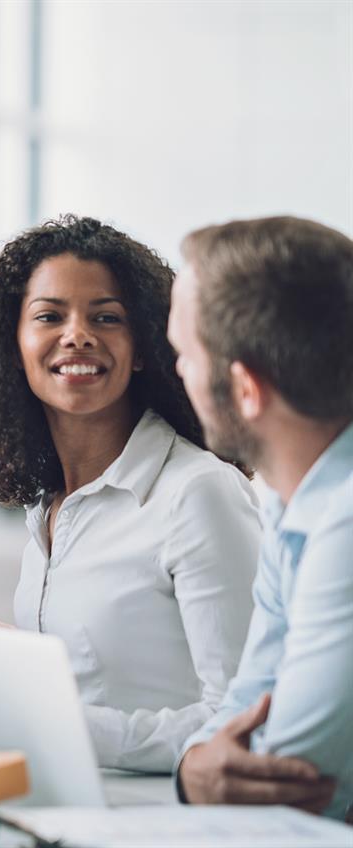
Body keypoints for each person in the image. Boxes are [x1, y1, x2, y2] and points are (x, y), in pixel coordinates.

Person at [0, 216, 259, 772]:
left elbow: (242, 714)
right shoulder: (48, 503)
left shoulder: (198, 494)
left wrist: (58, 726)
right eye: (49, 316)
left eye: (106, 317)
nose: (77, 334)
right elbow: (92, 669)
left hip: (166, 822)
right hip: (60, 808)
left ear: (144, 346)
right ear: (13, 345)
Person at [170, 216, 353, 819]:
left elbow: (289, 772)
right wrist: (195, 767)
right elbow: (246, 707)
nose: (178, 375)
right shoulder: (290, 498)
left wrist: (206, 772)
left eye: (184, 356)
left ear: (245, 389)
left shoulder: (345, 518)